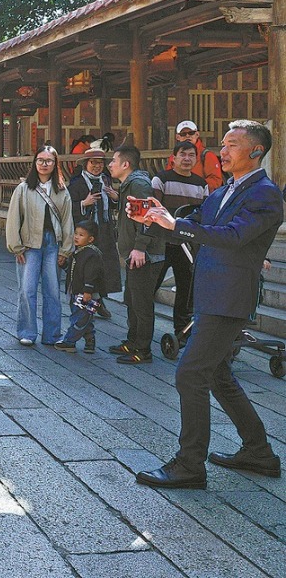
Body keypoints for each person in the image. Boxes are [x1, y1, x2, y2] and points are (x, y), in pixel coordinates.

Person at [134, 120, 281, 489]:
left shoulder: (265, 194)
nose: (222, 152)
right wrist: (153, 217)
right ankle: (259, 452)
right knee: (217, 375)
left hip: (230, 296)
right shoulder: (223, 191)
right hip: (211, 293)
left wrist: (176, 225)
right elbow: (190, 223)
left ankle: (189, 465)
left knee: (190, 374)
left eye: (232, 145)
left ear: (256, 151)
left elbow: (232, 236)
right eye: (223, 144)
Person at [6, 145, 74, 346]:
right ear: (35, 162)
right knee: (27, 290)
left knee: (52, 291)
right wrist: (16, 247)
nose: (44, 164)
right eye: (40, 160)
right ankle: (27, 332)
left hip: (53, 244)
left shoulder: (62, 190)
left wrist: (65, 250)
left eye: (49, 161)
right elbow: (13, 219)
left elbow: (67, 221)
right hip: (29, 245)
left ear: (55, 164)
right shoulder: (23, 188)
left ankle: (52, 334)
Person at [108, 145, 165, 364]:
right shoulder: (128, 185)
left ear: (126, 164)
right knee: (132, 300)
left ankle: (143, 349)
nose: (110, 165)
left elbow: (148, 217)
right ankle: (132, 342)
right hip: (134, 253)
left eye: (114, 161)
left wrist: (140, 247)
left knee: (141, 304)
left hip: (146, 255)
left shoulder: (139, 184)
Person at [151, 141, 208, 340]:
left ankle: (182, 334)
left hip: (187, 246)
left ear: (196, 159)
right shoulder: (161, 179)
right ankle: (142, 335)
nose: (186, 159)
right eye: (182, 154)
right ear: (173, 158)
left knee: (186, 291)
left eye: (191, 155)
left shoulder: (201, 184)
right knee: (150, 288)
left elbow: (205, 215)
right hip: (162, 243)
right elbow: (153, 211)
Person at [67, 148, 121, 319]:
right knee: (87, 267)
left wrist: (115, 197)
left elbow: (111, 206)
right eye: (93, 163)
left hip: (104, 230)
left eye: (100, 163)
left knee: (104, 266)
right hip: (86, 231)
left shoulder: (106, 180)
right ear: (86, 164)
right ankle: (90, 303)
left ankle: (100, 299)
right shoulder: (77, 183)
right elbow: (67, 207)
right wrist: (84, 203)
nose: (97, 166)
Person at [55, 220, 104, 354]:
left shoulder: (91, 254)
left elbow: (91, 275)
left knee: (79, 319)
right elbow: (74, 272)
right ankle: (90, 341)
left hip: (86, 294)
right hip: (76, 291)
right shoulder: (78, 251)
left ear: (91, 239)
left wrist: (88, 291)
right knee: (85, 318)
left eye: (81, 235)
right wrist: (64, 265)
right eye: (75, 233)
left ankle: (69, 341)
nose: (76, 237)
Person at [166, 121, 223, 191]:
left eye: (191, 133)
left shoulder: (207, 155)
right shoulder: (173, 157)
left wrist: (194, 189)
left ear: (197, 134)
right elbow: (168, 178)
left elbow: (215, 181)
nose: (187, 136)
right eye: (183, 134)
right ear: (177, 137)